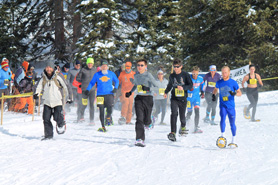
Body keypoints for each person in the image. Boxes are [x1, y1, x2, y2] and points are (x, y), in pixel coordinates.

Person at [33, 61, 73, 140]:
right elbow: (39, 86)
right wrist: (36, 94)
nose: (48, 69)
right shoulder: (43, 77)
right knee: (46, 119)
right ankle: (48, 135)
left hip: (57, 101)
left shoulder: (58, 76)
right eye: (47, 67)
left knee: (57, 117)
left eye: (50, 67)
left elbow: (66, 86)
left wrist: (70, 97)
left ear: (53, 68)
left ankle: (61, 123)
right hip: (47, 101)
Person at [125, 59, 159, 147]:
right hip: (139, 98)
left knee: (146, 121)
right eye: (138, 65)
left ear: (145, 66)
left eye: (142, 65)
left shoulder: (148, 75)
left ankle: (150, 120)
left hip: (148, 98)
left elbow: (157, 87)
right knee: (139, 119)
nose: (140, 67)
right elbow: (136, 85)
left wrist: (148, 89)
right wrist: (130, 92)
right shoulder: (136, 75)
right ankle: (139, 139)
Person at [85, 59, 119, 132]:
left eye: (105, 66)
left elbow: (117, 81)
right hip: (100, 95)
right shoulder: (97, 74)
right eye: (103, 66)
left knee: (110, 108)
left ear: (107, 67)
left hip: (109, 94)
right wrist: (88, 89)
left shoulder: (111, 73)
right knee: (101, 110)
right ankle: (103, 126)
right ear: (100, 67)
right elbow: (91, 83)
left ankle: (108, 117)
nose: (104, 67)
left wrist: (115, 88)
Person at [163, 59, 193, 141]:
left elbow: (190, 85)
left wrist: (183, 88)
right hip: (174, 98)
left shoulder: (185, 74)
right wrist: (166, 92)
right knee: (174, 114)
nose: (176, 68)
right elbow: (170, 85)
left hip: (183, 99)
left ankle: (183, 126)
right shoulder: (172, 76)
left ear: (181, 66)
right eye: (174, 67)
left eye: (177, 67)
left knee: (182, 116)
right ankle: (173, 132)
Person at [212, 66, 242, 148]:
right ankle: (222, 137)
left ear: (229, 72)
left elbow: (240, 93)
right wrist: (213, 94)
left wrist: (235, 94)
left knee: (232, 123)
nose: (224, 74)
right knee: (222, 119)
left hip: (231, 107)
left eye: (225, 72)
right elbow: (215, 89)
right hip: (223, 105)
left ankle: (233, 140)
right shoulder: (219, 82)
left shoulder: (233, 82)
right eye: (222, 72)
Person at [76, 58, 97, 124]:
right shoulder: (83, 70)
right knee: (84, 104)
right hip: (84, 90)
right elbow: (78, 78)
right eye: (89, 63)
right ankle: (81, 117)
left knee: (91, 105)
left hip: (92, 90)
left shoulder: (95, 70)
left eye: (91, 63)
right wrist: (83, 81)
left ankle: (92, 120)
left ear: (93, 64)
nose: (90, 64)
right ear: (87, 63)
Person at [186, 66, 205, 133]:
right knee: (190, 112)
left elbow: (203, 85)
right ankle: (185, 123)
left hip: (196, 97)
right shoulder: (188, 78)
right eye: (193, 74)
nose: (195, 75)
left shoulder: (200, 78)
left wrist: (202, 92)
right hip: (188, 98)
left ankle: (196, 127)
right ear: (192, 73)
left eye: (196, 74)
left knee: (197, 111)